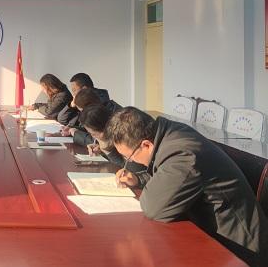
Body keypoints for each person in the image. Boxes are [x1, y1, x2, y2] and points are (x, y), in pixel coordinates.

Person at [106, 107, 268, 266]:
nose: (130, 162)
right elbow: (170, 174)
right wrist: (139, 179)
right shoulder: (168, 133)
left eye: (129, 157)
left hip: (239, 250)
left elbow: (153, 207)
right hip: (215, 236)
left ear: (146, 145)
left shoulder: (183, 154)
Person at [76, 104, 145, 173]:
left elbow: (130, 171)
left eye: (93, 134)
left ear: (103, 130)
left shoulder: (127, 133)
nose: (93, 137)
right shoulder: (115, 130)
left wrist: (108, 151)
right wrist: (103, 151)